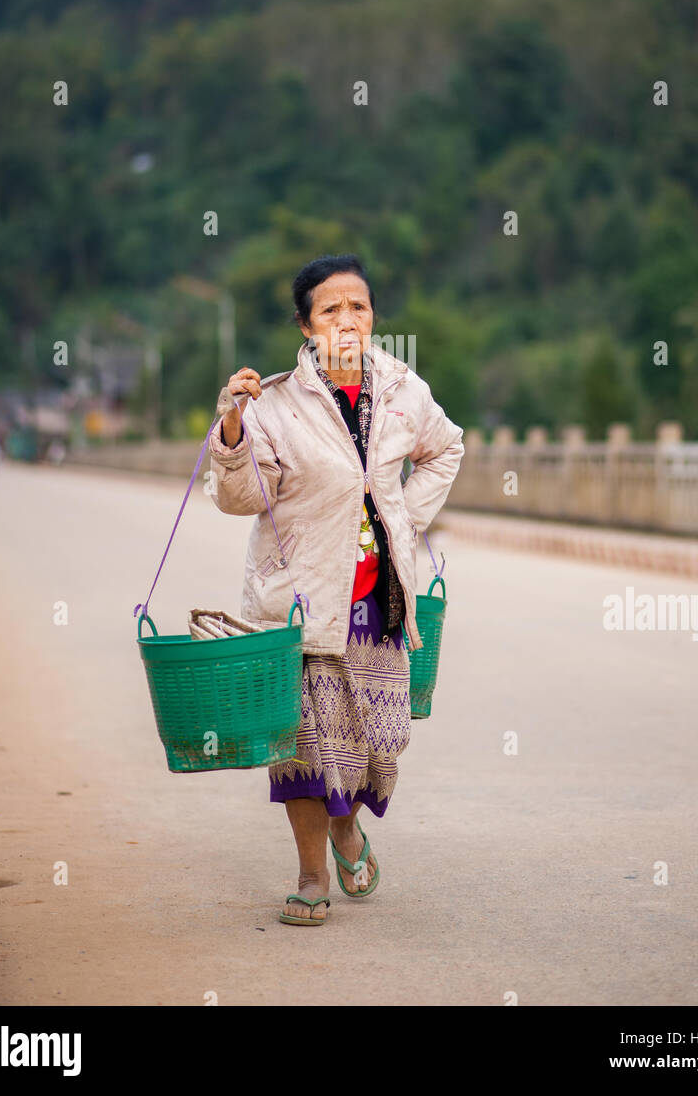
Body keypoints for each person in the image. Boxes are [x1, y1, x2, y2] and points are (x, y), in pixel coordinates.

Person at [209, 255, 464, 926]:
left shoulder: (406, 391)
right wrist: (232, 427)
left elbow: (447, 448)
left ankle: (346, 827)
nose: (347, 320)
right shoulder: (274, 401)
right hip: (298, 601)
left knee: (366, 749)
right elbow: (237, 497)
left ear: (373, 316)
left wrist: (405, 516)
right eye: (330, 310)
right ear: (306, 324)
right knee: (301, 747)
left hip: (375, 603)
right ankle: (311, 873)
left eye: (358, 307)